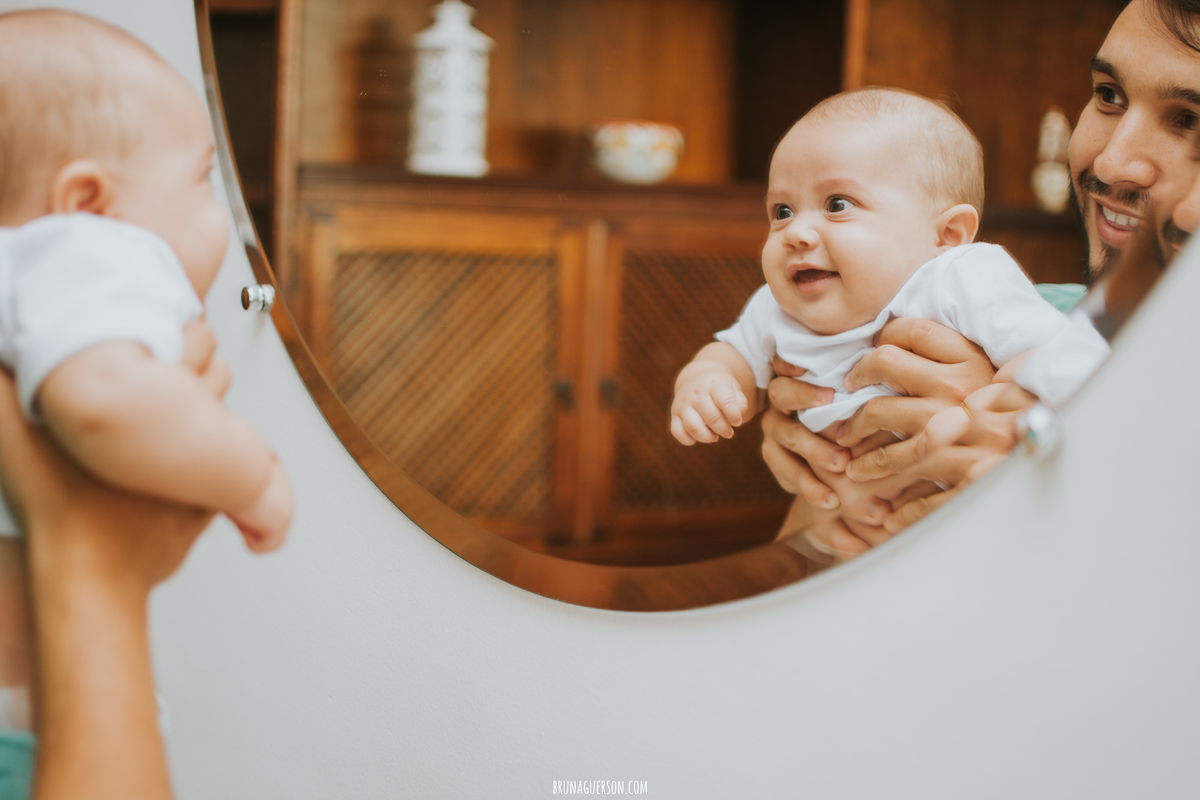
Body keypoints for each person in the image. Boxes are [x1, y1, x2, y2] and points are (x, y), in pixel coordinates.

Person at [760, 0, 1200, 560]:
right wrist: (832, 478)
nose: (1110, 164)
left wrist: (1048, 448)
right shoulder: (1002, 316)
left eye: (1190, 120)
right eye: (1109, 95)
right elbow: (793, 583)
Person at [671, 89, 1108, 555]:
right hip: (834, 535)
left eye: (838, 204)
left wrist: (1001, 410)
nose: (796, 233)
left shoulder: (957, 280)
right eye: (781, 211)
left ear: (947, 235)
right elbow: (732, 353)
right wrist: (706, 381)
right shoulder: (778, 307)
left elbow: (1056, 360)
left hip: (959, 535)